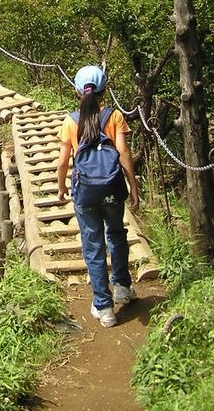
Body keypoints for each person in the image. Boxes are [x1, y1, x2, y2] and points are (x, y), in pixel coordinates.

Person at [56, 65, 139, 328]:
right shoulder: (114, 117)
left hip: (85, 192)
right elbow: (123, 153)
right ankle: (122, 288)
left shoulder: (71, 121)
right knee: (116, 234)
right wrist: (133, 186)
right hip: (112, 189)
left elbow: (62, 161)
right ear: (104, 90)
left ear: (77, 91)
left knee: (92, 243)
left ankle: (104, 308)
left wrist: (61, 187)